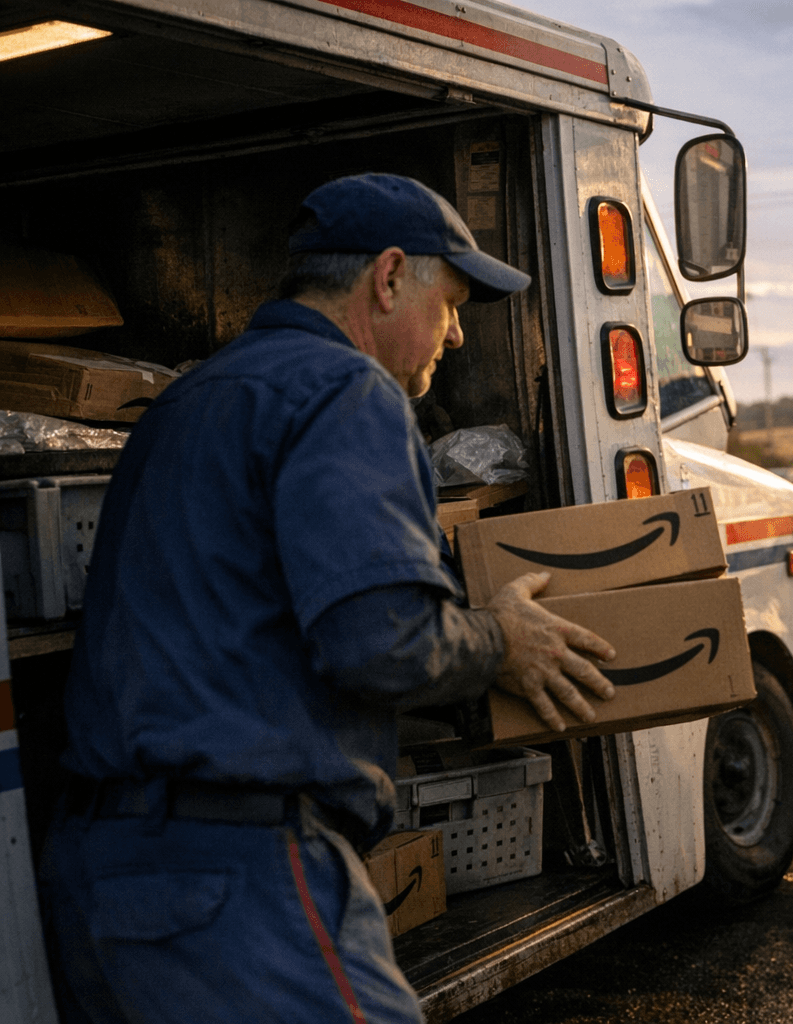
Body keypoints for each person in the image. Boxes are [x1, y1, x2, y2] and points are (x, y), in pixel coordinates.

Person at [40, 173, 617, 1024]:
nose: (456, 336)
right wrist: (501, 642)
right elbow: (380, 640)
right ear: (388, 278)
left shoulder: (191, 399)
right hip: (238, 879)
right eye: (451, 302)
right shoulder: (347, 392)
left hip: (104, 876)